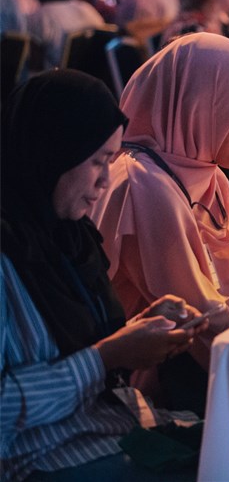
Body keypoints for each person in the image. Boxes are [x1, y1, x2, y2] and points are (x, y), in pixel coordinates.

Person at [1, 70, 206, 481]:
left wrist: (138, 336)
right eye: (96, 161)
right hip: (46, 459)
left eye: (110, 161)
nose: (102, 181)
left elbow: (73, 348)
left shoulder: (67, 237)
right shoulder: (11, 250)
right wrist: (108, 356)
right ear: (52, 152)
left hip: (113, 431)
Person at [93, 33, 229, 414]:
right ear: (201, 107)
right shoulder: (142, 183)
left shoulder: (211, 179)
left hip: (225, 357)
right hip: (161, 390)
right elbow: (199, 318)